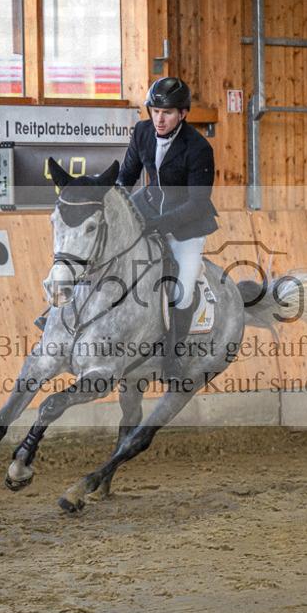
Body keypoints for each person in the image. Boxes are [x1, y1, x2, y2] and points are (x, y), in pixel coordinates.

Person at [116, 76, 219, 385]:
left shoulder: (199, 148)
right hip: (147, 210)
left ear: (183, 114)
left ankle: (173, 355)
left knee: (181, 290)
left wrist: (159, 225)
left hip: (185, 227)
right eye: (155, 111)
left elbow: (198, 203)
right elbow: (126, 177)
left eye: (168, 113)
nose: (159, 119)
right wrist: (117, 210)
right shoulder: (143, 132)